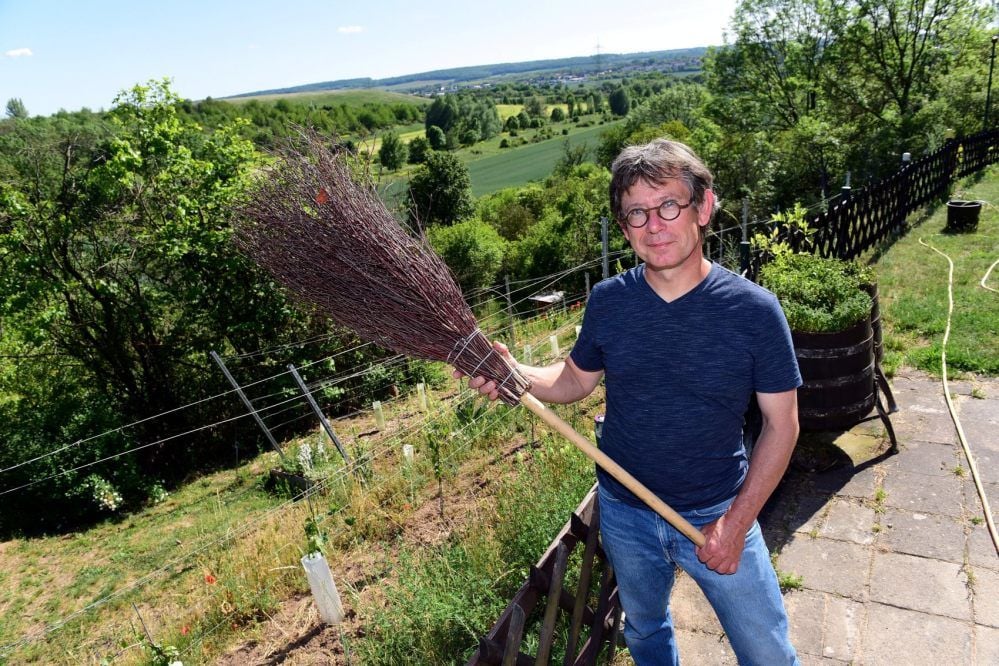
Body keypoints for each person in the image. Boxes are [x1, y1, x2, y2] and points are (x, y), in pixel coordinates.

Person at [459, 139, 801, 665]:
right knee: (645, 630)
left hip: (717, 510)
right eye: (636, 213)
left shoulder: (754, 312)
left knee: (767, 652)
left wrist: (736, 525)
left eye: (669, 205)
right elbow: (575, 379)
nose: (653, 225)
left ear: (704, 207)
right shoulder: (610, 301)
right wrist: (514, 373)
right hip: (625, 513)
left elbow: (783, 425)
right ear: (623, 228)